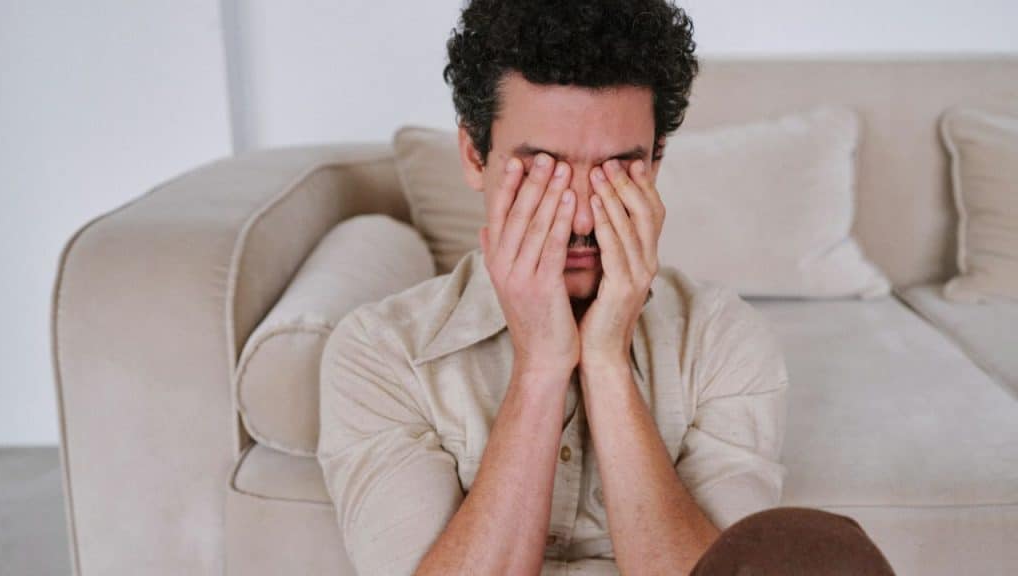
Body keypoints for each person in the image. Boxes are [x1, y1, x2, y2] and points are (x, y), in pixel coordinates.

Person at [317, 1, 895, 574]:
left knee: (819, 550)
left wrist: (607, 360)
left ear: (657, 159)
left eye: (618, 168)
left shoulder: (724, 339)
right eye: (545, 167)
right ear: (474, 154)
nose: (585, 218)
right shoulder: (381, 352)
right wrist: (541, 367)